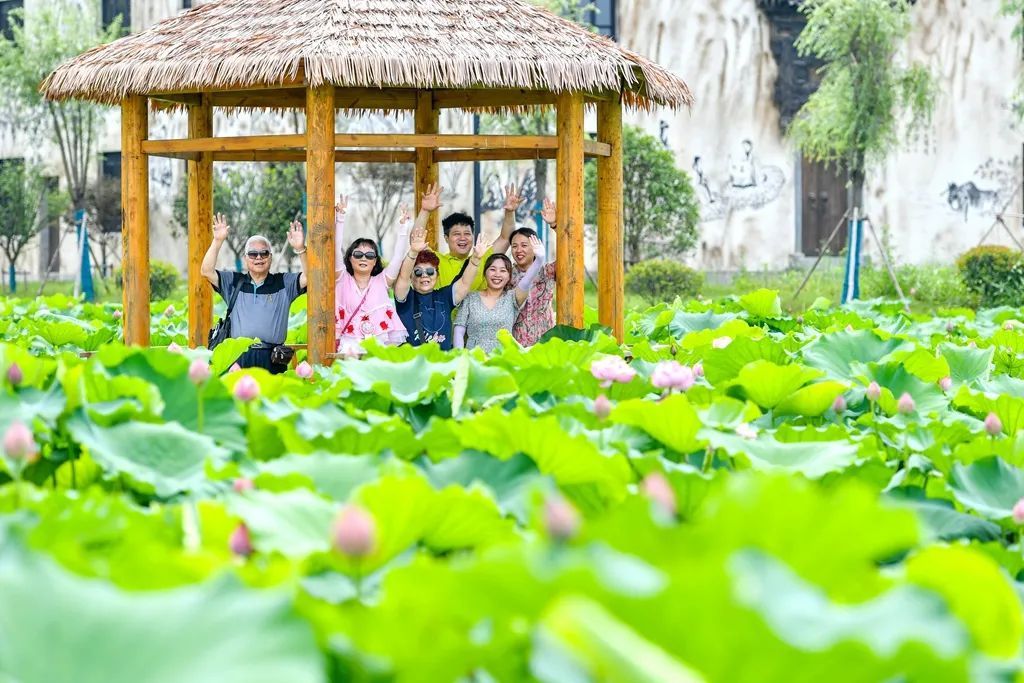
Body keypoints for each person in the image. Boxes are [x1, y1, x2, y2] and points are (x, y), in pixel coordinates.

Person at [199, 213, 306, 373]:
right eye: (252, 254)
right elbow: (206, 271)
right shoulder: (234, 281)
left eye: (264, 253)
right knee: (238, 397)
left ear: (270, 257)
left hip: (273, 358)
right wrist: (217, 241)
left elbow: (311, 277)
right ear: (245, 258)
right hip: (239, 356)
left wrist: (300, 249)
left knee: (271, 398)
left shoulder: (283, 282)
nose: (258, 257)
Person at [394, 184, 489, 349]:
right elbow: (403, 275)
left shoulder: (444, 297)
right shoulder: (405, 298)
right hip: (414, 369)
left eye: (430, 271)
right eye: (418, 272)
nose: (424, 275)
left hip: (444, 369)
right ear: (411, 275)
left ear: (436, 275)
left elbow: (465, 283)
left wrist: (475, 259)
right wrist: (414, 251)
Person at [333, 196, 408, 348]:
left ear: (375, 262)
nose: (364, 258)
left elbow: (398, 258)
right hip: (349, 344)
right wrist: (340, 218)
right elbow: (335, 248)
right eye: (358, 254)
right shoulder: (342, 278)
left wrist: (404, 228)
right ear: (349, 258)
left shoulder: (382, 280)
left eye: (369, 255)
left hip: (378, 344)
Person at [453, 236, 545, 353]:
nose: (497, 274)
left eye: (503, 270)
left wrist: (539, 260)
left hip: (503, 360)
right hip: (475, 360)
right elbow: (459, 330)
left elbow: (526, 282)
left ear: (508, 277)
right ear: (485, 273)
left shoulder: (512, 298)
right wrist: (460, 357)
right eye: (492, 269)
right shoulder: (470, 298)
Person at [436, 184, 522, 289]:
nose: (463, 238)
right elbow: (416, 241)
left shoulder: (482, 260)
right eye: (457, 234)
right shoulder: (436, 261)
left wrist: (510, 212)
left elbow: (505, 238)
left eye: (467, 234)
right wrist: (425, 211)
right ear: (446, 238)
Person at [509, 197, 558, 346]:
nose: (519, 250)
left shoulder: (547, 271)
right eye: (514, 246)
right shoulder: (506, 275)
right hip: (516, 343)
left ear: (536, 247)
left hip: (545, 342)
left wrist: (555, 225)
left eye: (524, 245)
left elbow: (571, 256)